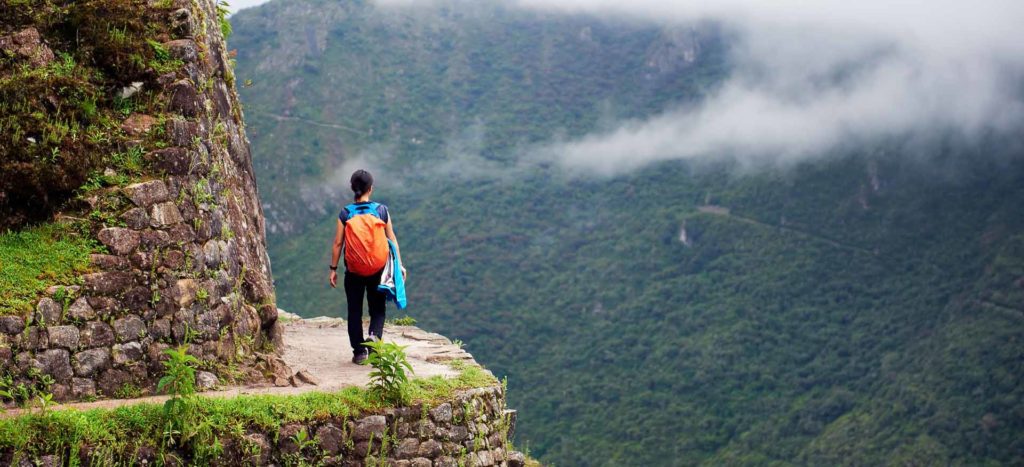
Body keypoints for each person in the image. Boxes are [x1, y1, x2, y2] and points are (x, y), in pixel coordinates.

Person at [329, 169, 406, 364]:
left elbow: (338, 244)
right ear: (371, 189)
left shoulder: (345, 213)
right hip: (378, 270)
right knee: (377, 309)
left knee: (354, 311)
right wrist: (399, 265)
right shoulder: (381, 211)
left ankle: (359, 352)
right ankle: (374, 341)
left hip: (353, 271)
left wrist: (333, 269)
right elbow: (392, 239)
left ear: (352, 188)